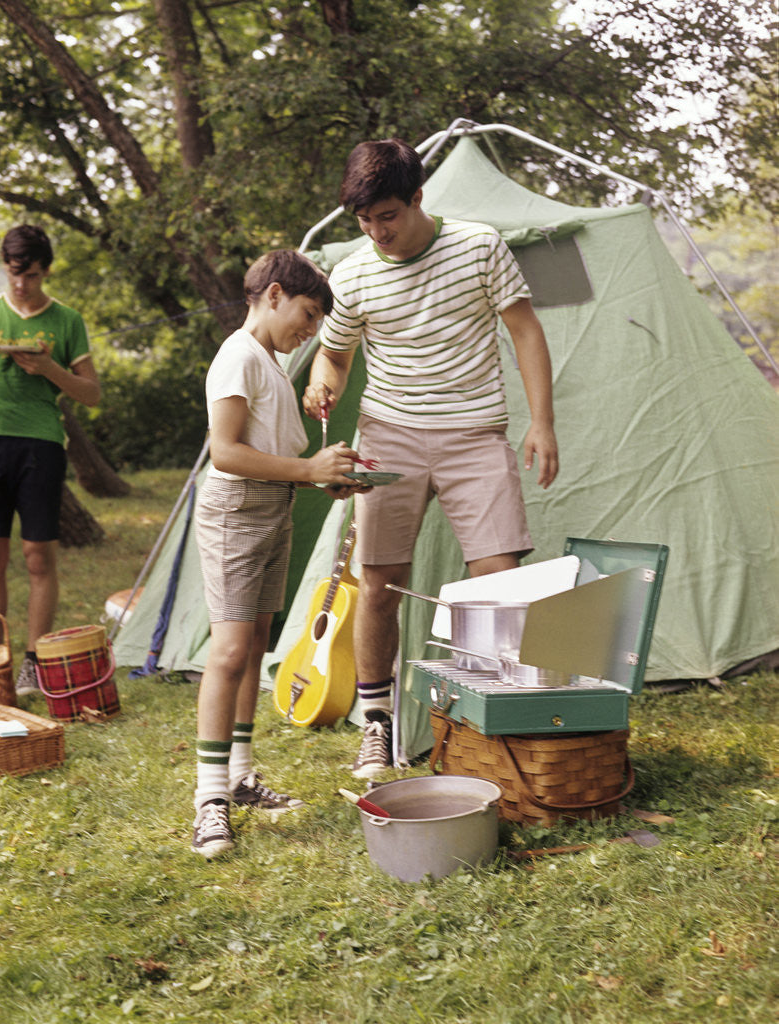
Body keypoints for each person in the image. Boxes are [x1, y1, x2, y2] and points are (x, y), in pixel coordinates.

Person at [302, 138, 559, 779]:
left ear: (418, 198)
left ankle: (487, 726)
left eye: (387, 216)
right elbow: (334, 353)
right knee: (381, 587)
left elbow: (526, 330)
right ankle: (377, 726)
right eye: (364, 222)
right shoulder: (355, 273)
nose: (377, 232)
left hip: (476, 434)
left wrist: (542, 423)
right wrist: (322, 380)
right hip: (389, 437)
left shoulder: (478, 245)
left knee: (497, 586)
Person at [191, 249, 362, 859]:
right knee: (231, 650)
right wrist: (308, 468)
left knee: (255, 644)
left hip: (272, 509)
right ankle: (209, 800)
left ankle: (239, 776)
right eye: (308, 314)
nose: (311, 331)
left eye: (318, 321)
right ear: (274, 294)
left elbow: (276, 452)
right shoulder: (238, 356)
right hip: (238, 509)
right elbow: (226, 453)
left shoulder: (267, 362)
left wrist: (323, 474)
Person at [0, 224, 101, 694]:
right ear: (5, 267)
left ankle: (33, 663)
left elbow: (92, 394)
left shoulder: (66, 321)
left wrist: (49, 368)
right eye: (15, 275)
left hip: (40, 444)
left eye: (33, 276)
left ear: (45, 272)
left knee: (39, 557)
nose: (22, 286)